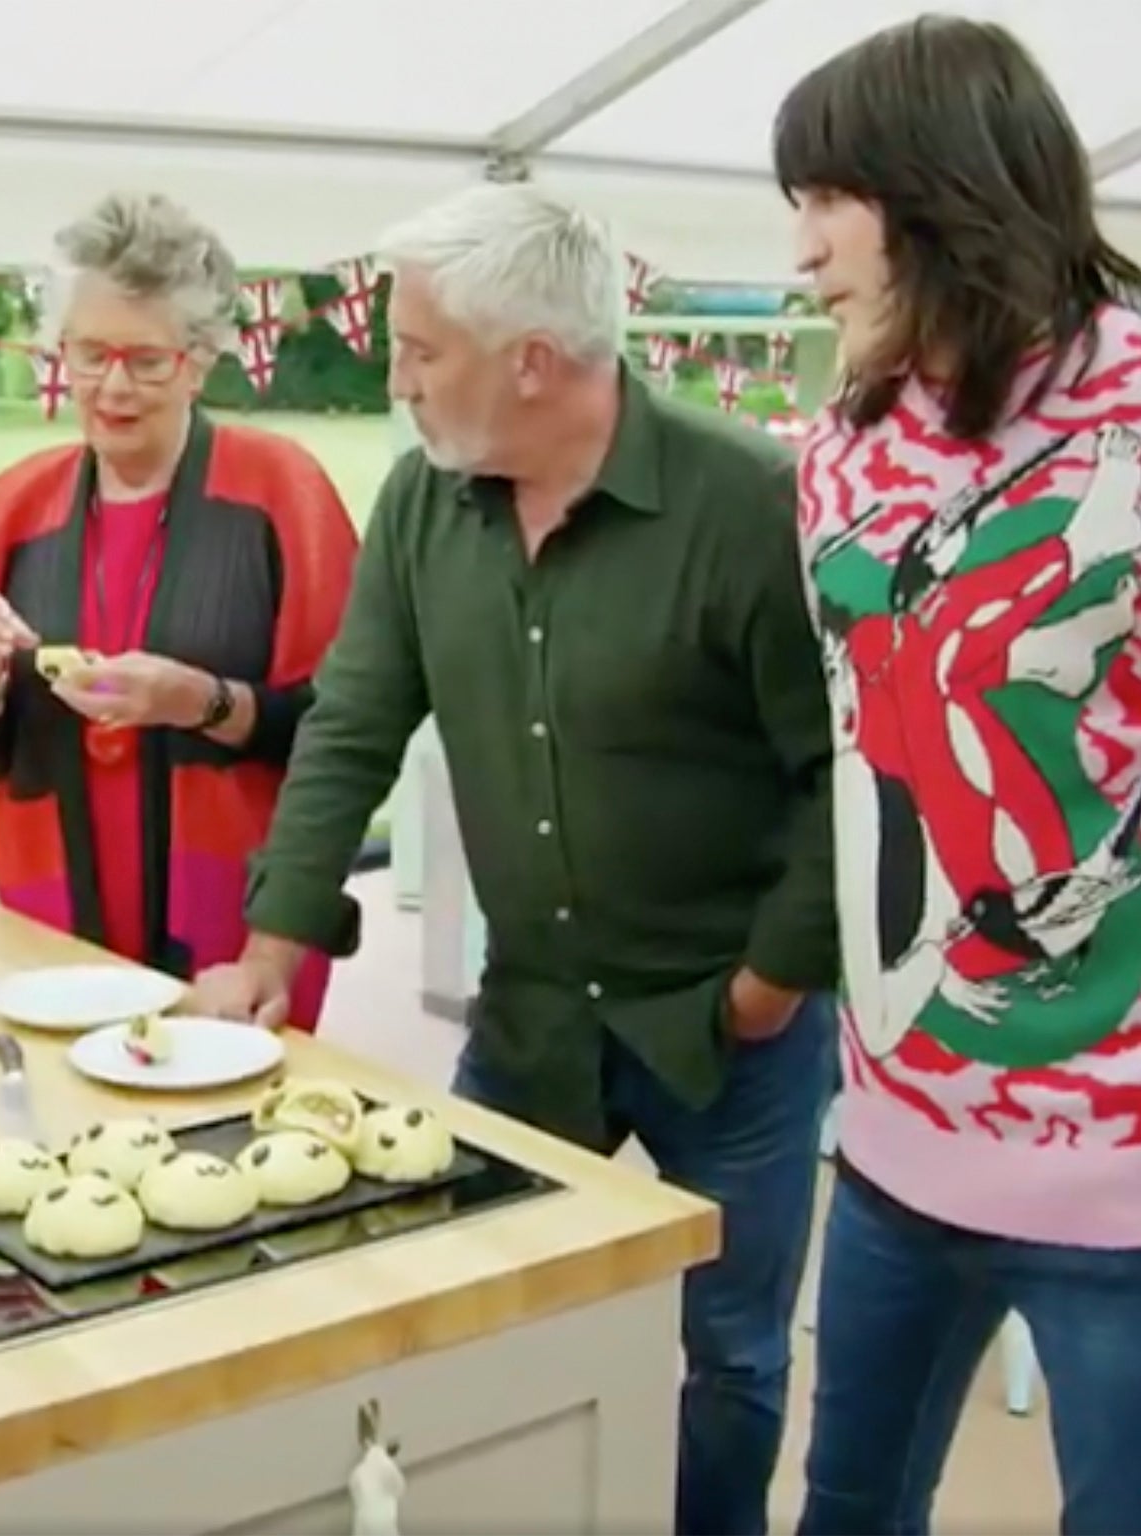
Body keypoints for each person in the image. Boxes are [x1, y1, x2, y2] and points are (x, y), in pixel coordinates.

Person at [189, 183, 839, 1536]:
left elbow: (840, 773)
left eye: (422, 350)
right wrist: (271, 945)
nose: (398, 378)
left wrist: (772, 982)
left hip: (732, 1032)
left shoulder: (752, 507)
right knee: (475, 1320)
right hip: (532, 1014)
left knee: (730, 1356)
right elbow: (356, 719)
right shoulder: (426, 506)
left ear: (532, 361)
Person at [775, 18, 1141, 1535]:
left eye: (822, 204)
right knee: (850, 1509)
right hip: (893, 1143)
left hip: (1122, 1176)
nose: (801, 255)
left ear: (937, 194)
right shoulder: (836, 456)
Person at [0, 192, 361, 1028]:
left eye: (146, 360)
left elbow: (347, 726)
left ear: (199, 359)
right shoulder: (16, 503)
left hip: (235, 921)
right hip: (51, 911)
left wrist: (204, 703)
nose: (112, 386)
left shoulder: (280, 492)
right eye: (89, 354)